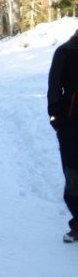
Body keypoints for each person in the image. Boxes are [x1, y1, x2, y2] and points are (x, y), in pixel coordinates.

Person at [48, 28, 78, 243]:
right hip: (71, 122)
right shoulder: (65, 51)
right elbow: (54, 86)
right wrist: (55, 116)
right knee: (73, 173)